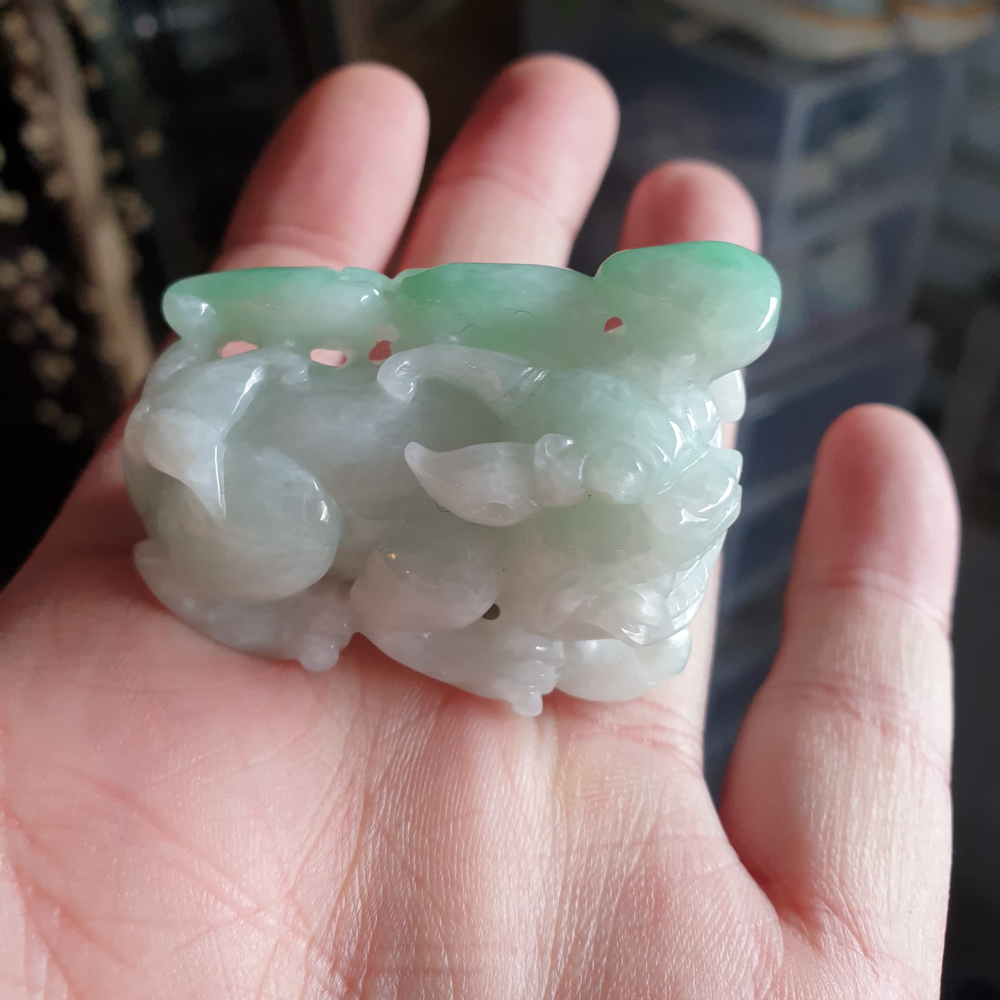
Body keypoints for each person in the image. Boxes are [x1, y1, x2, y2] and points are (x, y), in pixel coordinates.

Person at [0, 56, 960, 999]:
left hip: (391, 425)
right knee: (296, 546)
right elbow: (394, 599)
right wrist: (485, 642)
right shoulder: (467, 544)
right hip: (272, 468)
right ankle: (214, 585)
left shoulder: (618, 380)